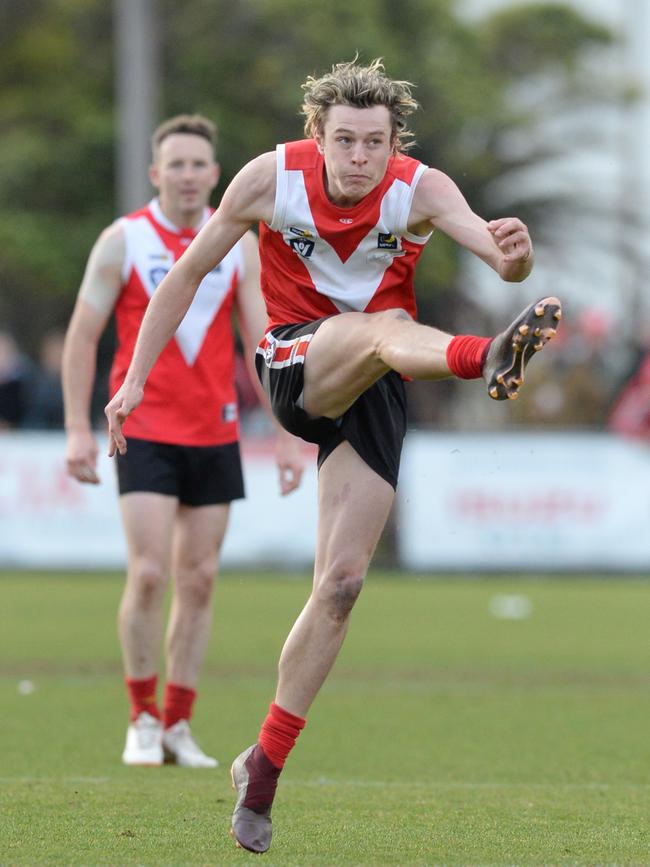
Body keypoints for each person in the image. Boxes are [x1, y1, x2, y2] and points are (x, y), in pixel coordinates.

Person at [104, 61, 562, 849]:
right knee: (379, 328)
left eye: (374, 143)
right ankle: (485, 356)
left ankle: (264, 768)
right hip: (295, 360)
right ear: (318, 136)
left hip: (380, 380)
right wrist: (135, 378)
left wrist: (516, 256)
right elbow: (185, 276)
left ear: (394, 146)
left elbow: (499, 257)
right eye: (344, 140)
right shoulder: (269, 178)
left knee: (343, 585)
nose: (359, 158)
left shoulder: (419, 188)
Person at [62, 113, 304, 770]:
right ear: (155, 173)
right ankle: (141, 715)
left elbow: (265, 342)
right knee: (147, 572)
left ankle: (177, 723)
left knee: (198, 579)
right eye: (177, 164)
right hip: (141, 426)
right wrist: (79, 427)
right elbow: (83, 336)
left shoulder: (240, 244)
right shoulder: (123, 241)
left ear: (216, 174)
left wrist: (286, 435)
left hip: (214, 429)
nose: (189, 175)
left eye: (200, 164)